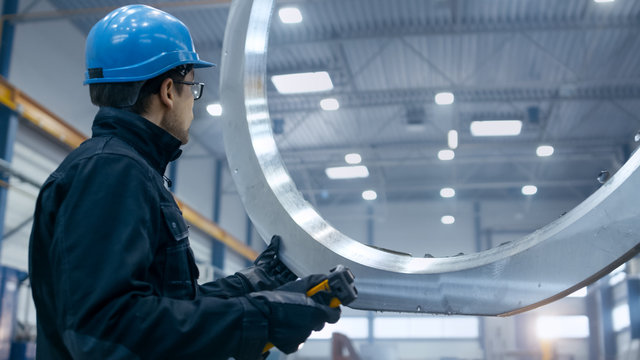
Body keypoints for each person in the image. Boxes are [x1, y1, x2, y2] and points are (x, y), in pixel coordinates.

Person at [28, 5, 342, 359]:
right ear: (167, 91)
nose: (192, 101)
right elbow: (107, 331)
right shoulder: (112, 173)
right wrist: (262, 318)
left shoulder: (122, 169)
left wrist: (256, 283)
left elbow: (165, 307)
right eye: (192, 87)